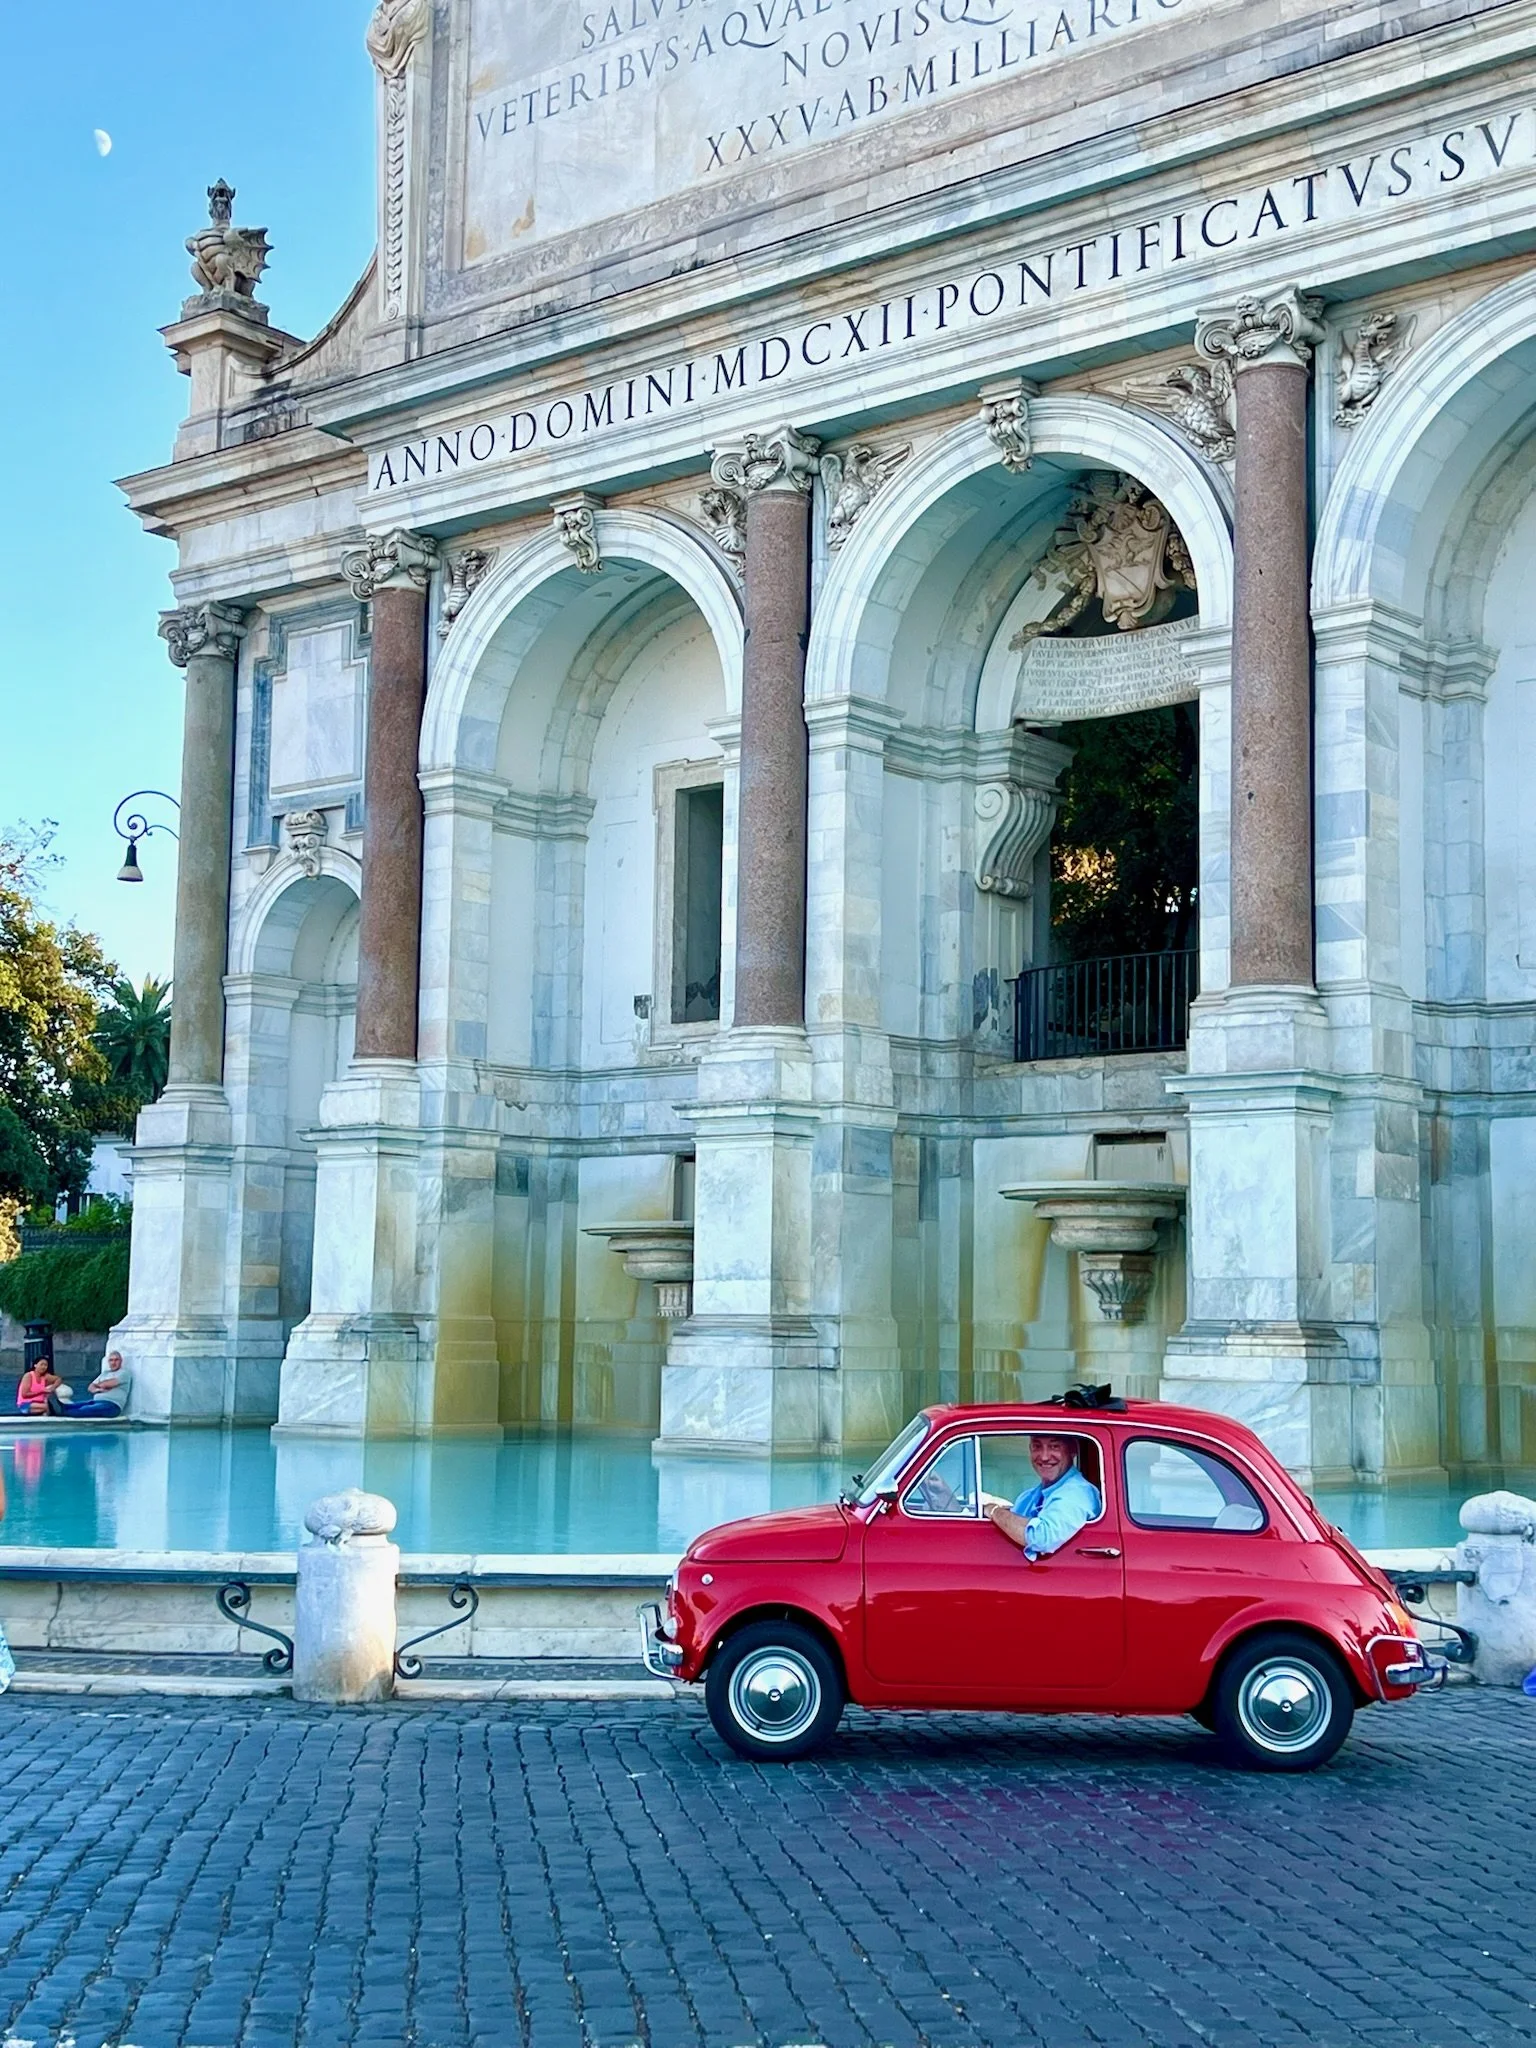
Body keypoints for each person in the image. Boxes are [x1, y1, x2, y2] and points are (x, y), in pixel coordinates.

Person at [986, 1434, 1102, 1561]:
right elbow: (1013, 1524)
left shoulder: (1079, 1492)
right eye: (1037, 1446)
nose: (1044, 1457)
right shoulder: (1028, 1497)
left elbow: (1041, 1538)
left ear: (1072, 1450)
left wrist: (993, 1511)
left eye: (1054, 1446)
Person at [58, 1351, 132, 1420]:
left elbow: (109, 1384)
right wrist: (98, 1389)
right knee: (74, 1405)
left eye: (116, 1360)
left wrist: (100, 1384)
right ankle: (57, 1407)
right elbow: (90, 1387)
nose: (113, 1362)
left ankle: (60, 1413)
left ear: (121, 1361)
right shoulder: (105, 1373)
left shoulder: (124, 1373)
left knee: (84, 1410)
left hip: (112, 1405)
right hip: (97, 1401)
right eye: (111, 1360)